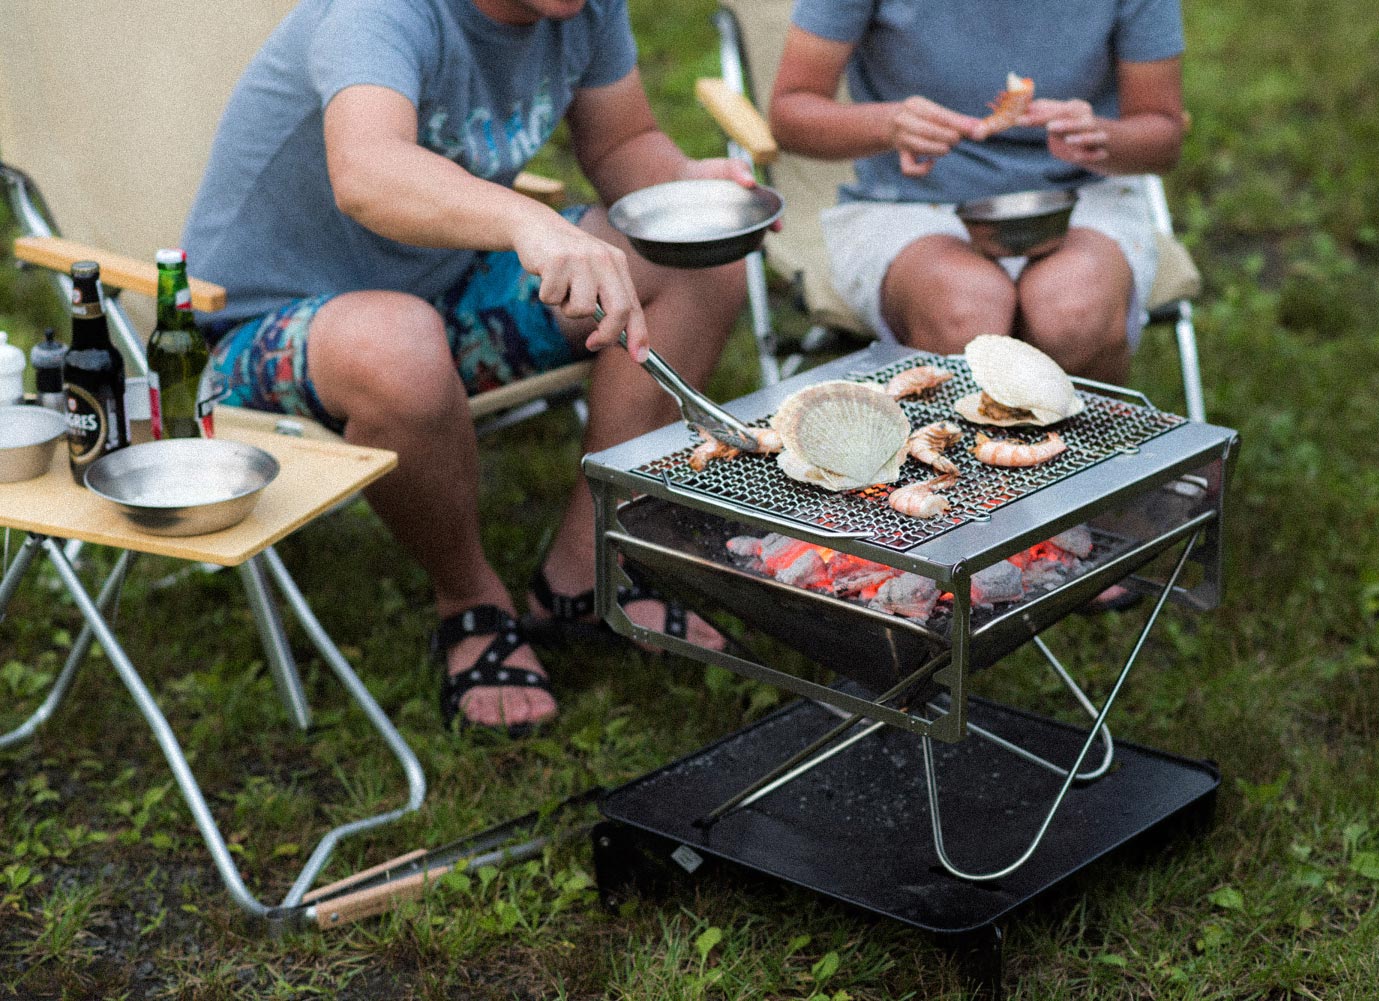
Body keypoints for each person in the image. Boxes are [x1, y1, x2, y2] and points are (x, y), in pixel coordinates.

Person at [184, 0, 751, 736]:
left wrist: (682, 188)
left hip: (444, 284)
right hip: (269, 320)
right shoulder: (383, 12)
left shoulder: (583, 6)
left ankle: (589, 568)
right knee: (400, 346)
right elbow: (366, 170)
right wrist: (528, 221)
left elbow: (623, 143)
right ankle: (470, 600)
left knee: (696, 267)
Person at [767, 0, 1188, 385]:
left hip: (1080, 197)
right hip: (909, 203)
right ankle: (958, 464)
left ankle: (1090, 464)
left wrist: (1102, 137)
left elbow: (1162, 136)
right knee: (964, 312)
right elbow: (791, 112)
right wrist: (889, 124)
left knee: (1073, 312)